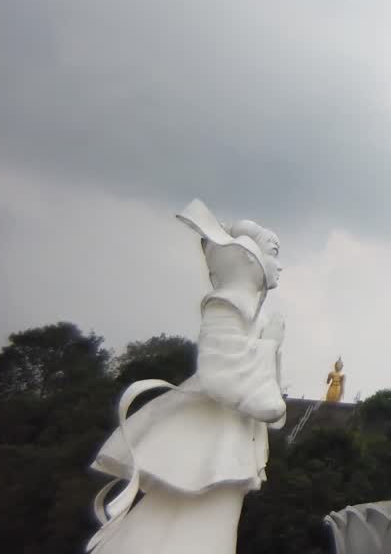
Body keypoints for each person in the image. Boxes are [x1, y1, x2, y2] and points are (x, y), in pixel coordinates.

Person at [87, 200, 286, 554]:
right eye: (273, 253)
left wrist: (269, 352)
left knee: (209, 514)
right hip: (214, 433)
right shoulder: (228, 302)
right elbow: (219, 373)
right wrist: (268, 350)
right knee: (200, 514)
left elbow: (268, 403)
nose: (280, 265)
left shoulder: (252, 313)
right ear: (248, 258)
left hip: (231, 432)